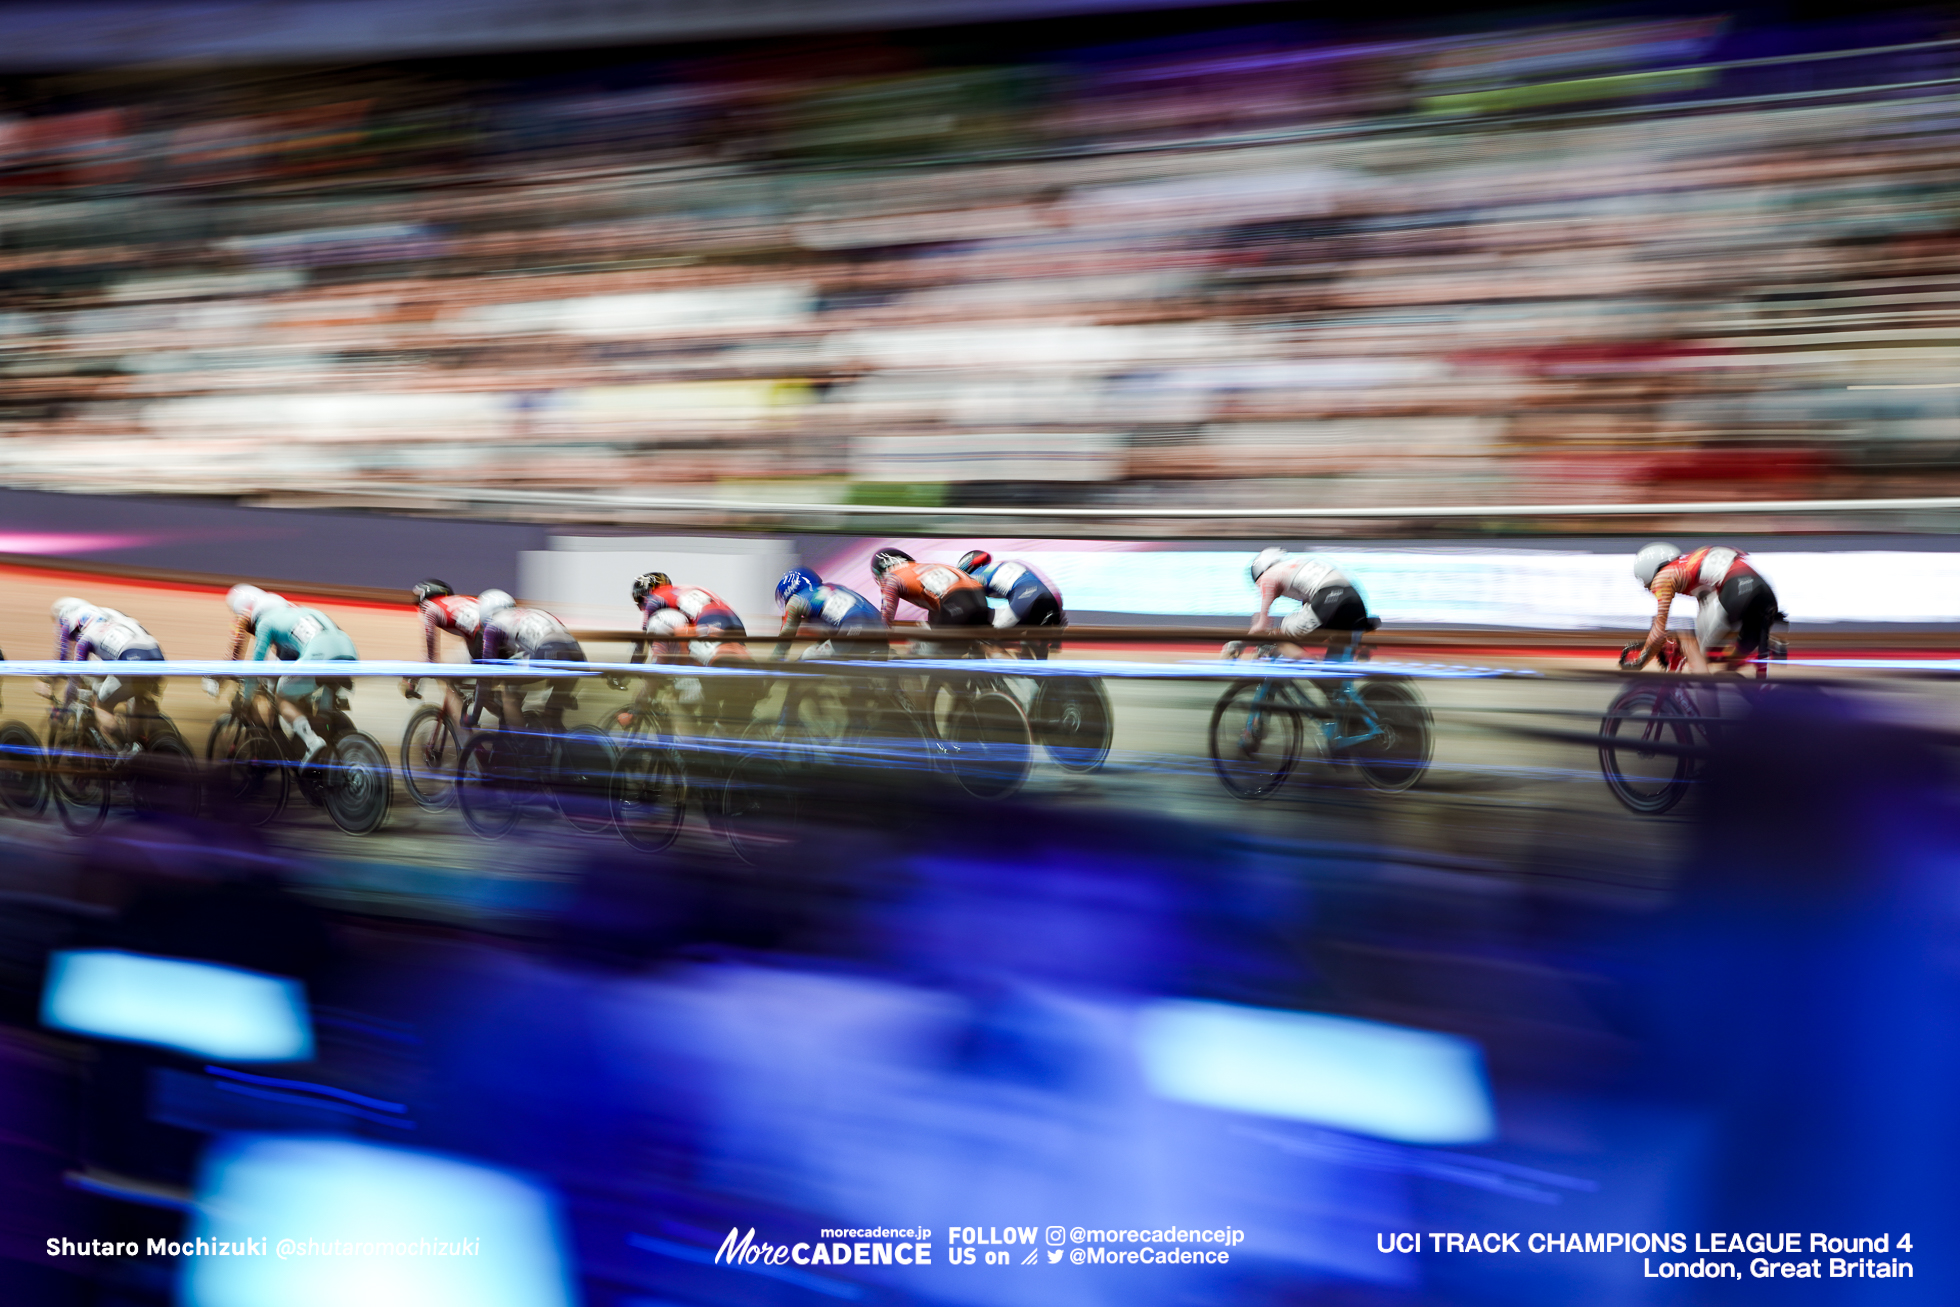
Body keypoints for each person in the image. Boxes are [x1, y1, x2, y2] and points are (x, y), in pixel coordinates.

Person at [230, 586, 359, 764]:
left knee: (282, 697)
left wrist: (246, 699)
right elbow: (286, 664)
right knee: (320, 714)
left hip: (320, 656)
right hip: (349, 652)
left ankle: (312, 742)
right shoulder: (294, 614)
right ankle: (328, 757)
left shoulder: (265, 622)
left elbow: (256, 668)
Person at [624, 570, 759, 732]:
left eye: (639, 601)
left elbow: (642, 641)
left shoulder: (656, 601)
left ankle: (692, 748)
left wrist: (631, 668)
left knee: (677, 696)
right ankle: (711, 722)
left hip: (712, 626)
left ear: (647, 594)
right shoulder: (682, 592)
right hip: (734, 625)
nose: (641, 608)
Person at [1627, 542, 1783, 674]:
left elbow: (1659, 631)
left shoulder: (1664, 576)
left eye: (1646, 585)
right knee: (1729, 664)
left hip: (1736, 589)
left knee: (1690, 645)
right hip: (1764, 593)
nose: (1651, 590)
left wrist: (1641, 660)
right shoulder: (1690, 565)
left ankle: (1705, 701)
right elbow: (1707, 612)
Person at [49, 598, 167, 751]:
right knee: (135, 693)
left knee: (102, 707)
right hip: (157, 654)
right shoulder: (109, 616)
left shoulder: (82, 637)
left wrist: (65, 707)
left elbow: (72, 674)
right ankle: (142, 739)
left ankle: (127, 750)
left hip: (130, 658)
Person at [1223, 547, 1374, 661]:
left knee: (1278, 637)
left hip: (1330, 598)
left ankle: (1312, 666)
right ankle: (1338, 693)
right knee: (1336, 673)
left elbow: (1262, 626)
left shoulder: (1267, 577)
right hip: (1355, 602)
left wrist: (1238, 643)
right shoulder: (1299, 567)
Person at [472, 589, 586, 734]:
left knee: (507, 690)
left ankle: (522, 748)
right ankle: (560, 748)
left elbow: (486, 675)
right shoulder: (533, 613)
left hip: (548, 651)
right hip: (577, 654)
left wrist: (474, 716)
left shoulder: (493, 625)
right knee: (551, 716)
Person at [400, 579, 486, 730]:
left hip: (482, 640)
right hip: (493, 637)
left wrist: (412, 680)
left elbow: (431, 659)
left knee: (447, 680)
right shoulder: (464, 600)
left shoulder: (430, 607)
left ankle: (465, 737)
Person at [956, 549, 1065, 658]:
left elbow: (974, 608)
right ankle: (1037, 666)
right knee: (1029, 645)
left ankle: (1012, 673)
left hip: (1025, 599)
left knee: (988, 640)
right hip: (1049, 599)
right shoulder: (998, 566)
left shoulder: (975, 576)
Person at [771, 567, 885, 661]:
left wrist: (774, 661)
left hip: (852, 625)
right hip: (878, 624)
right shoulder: (833, 588)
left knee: (807, 659)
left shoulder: (796, 600)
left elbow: (786, 633)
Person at [872, 548, 990, 631]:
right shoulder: (924, 567)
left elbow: (887, 615)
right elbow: (936, 604)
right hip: (979, 599)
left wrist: (881, 639)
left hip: (953, 601)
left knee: (934, 654)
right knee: (985, 649)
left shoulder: (891, 576)